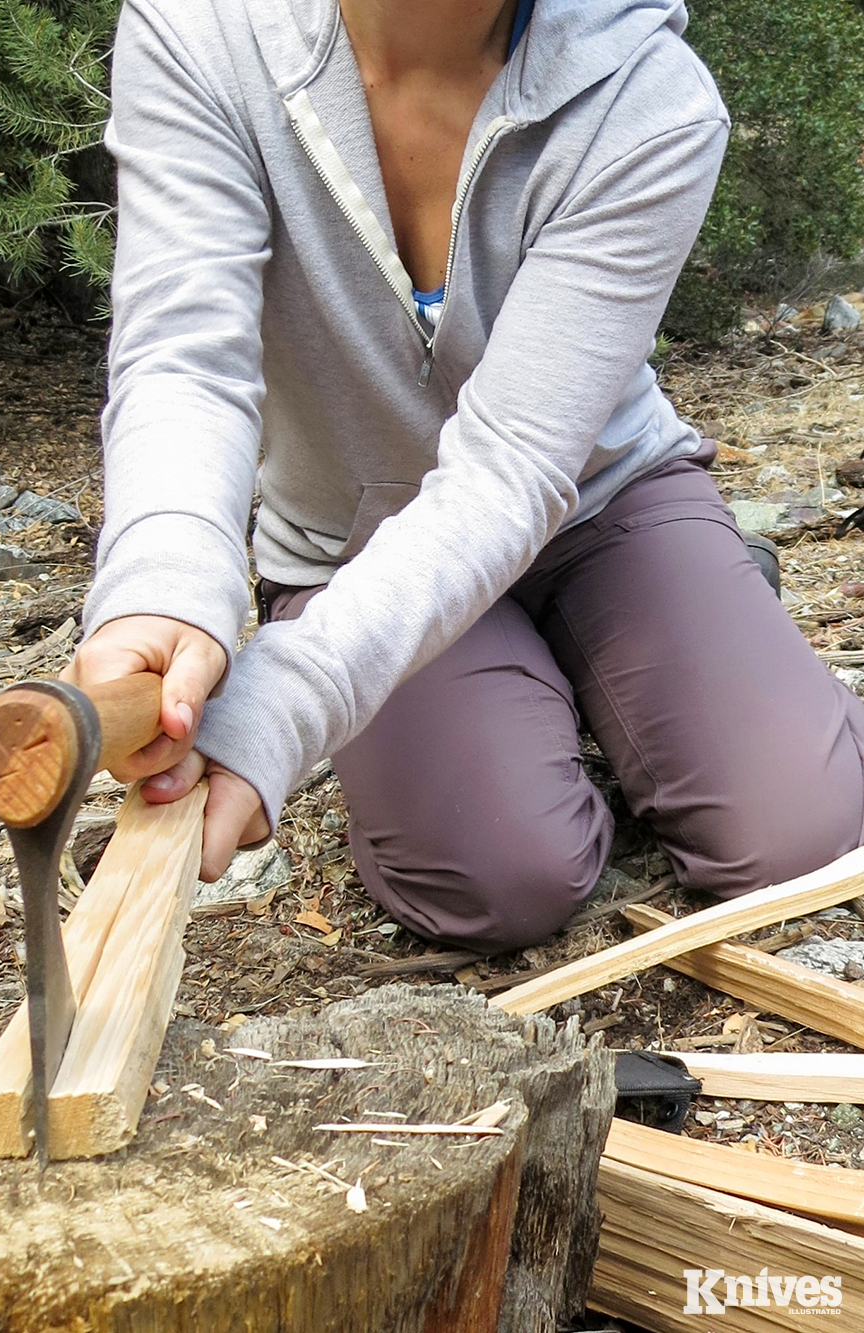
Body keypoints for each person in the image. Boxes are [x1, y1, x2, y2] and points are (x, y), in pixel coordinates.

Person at [66, 0, 864, 953]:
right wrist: (162, 592)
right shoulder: (201, 34)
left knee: (805, 836)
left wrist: (282, 700)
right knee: (499, 878)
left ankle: (649, 635)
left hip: (594, 496)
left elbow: (515, 464)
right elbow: (185, 361)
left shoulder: (645, 94)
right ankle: (590, 684)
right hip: (355, 541)